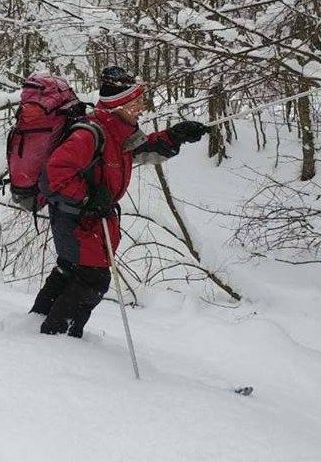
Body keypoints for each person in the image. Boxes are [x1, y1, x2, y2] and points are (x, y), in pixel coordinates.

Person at [29, 66, 208, 337]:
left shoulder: (118, 132)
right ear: (119, 105)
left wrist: (173, 137)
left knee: (71, 270)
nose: (142, 108)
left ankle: (37, 324)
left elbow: (139, 151)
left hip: (84, 218)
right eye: (136, 103)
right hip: (77, 219)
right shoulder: (90, 134)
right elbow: (53, 177)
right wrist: (89, 197)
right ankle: (57, 338)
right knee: (93, 278)